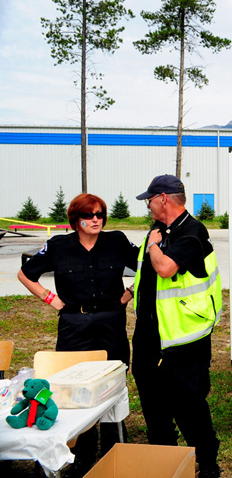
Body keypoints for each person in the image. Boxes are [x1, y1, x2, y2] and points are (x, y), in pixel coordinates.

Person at [17, 193, 139, 472]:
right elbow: (26, 274)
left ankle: (112, 447)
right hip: (75, 324)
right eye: (89, 215)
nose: (96, 220)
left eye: (100, 215)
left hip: (110, 322)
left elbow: (147, 265)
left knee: (112, 383)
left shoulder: (117, 241)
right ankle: (84, 450)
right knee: (77, 387)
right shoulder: (59, 246)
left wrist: (130, 292)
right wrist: (51, 299)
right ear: (76, 220)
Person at [131, 174, 222, 478]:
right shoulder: (158, 230)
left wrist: (155, 245)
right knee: (153, 405)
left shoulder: (192, 233)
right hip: (148, 335)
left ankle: (207, 464)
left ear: (164, 199)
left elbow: (165, 268)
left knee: (188, 406)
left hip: (184, 339)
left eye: (150, 200)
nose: (148, 206)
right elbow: (147, 275)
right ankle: (165, 462)